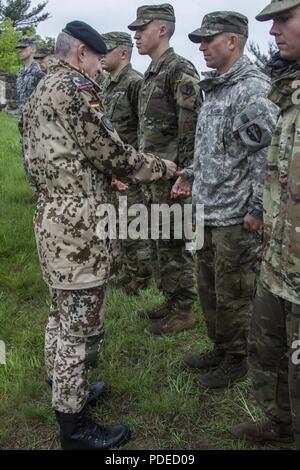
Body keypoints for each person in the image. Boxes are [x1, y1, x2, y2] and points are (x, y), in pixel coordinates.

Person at [22, 20, 177, 451]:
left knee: (60, 311)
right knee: (79, 324)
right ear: (81, 54)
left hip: (54, 215)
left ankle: (63, 386)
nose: (99, 66)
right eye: (96, 58)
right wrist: (163, 167)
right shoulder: (74, 89)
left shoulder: (40, 89)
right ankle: (74, 425)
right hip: (78, 227)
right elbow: (113, 152)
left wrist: (92, 179)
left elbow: (56, 156)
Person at [172, 11, 278, 389]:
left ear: (233, 41)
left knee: (235, 294)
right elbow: (212, 150)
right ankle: (220, 347)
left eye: (208, 40)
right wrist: (189, 172)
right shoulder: (216, 87)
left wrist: (256, 209)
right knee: (209, 289)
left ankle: (237, 359)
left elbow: (263, 157)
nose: (201, 47)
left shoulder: (251, 88)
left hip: (235, 215)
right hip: (207, 209)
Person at [232, 0, 300, 449]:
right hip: (280, 262)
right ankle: (280, 424)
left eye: (284, 18)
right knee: (266, 352)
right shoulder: (288, 91)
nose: (273, 31)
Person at [128, 3, 202, 335]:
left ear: (162, 30)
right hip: (153, 177)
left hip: (173, 179)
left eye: (141, 29)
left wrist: (185, 173)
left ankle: (184, 310)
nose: (136, 36)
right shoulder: (152, 72)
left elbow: (191, 124)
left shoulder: (178, 68)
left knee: (174, 243)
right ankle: (170, 300)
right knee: (159, 243)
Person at [100, 32, 152, 294]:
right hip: (115, 168)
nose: (102, 55)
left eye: (106, 50)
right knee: (119, 223)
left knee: (134, 223)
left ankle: (142, 277)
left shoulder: (135, 83)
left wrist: (137, 169)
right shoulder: (108, 84)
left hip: (131, 169)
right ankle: (128, 271)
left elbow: (143, 128)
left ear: (123, 52)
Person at [16, 37, 45, 187]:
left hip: (36, 124)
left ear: (33, 49)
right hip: (23, 123)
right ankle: (34, 189)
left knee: (37, 157)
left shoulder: (39, 73)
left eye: (24, 47)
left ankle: (42, 190)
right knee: (26, 156)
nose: (20, 50)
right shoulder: (20, 73)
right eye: (18, 48)